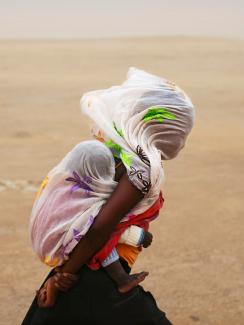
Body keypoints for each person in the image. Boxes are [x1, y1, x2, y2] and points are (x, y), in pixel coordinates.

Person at [22, 67, 194, 325]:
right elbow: (99, 228)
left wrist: (59, 277)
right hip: (95, 279)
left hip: (81, 270)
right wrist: (59, 281)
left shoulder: (123, 154)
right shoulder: (140, 168)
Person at [31, 140, 159, 307]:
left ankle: (60, 278)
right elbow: (95, 230)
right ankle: (122, 279)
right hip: (62, 246)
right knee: (102, 231)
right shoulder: (84, 199)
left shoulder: (60, 183)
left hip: (47, 245)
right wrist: (137, 235)